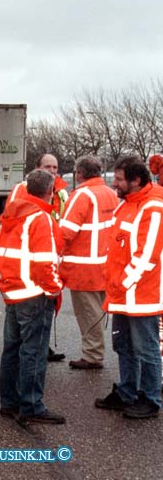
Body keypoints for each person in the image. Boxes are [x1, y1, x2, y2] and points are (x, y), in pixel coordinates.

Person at [95, 156, 163, 419]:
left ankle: (150, 398)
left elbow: (147, 255)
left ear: (136, 181)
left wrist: (121, 284)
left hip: (141, 295)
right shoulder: (128, 204)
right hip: (123, 293)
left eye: (120, 178)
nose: (115, 182)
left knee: (146, 349)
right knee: (123, 346)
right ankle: (127, 392)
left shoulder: (153, 207)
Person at [0, 169, 65, 424]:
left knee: (12, 350)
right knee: (33, 353)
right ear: (49, 192)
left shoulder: (12, 215)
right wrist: (55, 289)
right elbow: (44, 264)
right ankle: (32, 406)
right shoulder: (41, 219)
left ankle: (9, 403)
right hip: (34, 294)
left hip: (13, 290)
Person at [58, 156, 118, 369]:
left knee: (88, 314)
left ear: (79, 173)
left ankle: (93, 355)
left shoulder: (81, 195)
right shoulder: (111, 194)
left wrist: (52, 254)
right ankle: (95, 352)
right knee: (98, 312)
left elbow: (66, 232)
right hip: (106, 264)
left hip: (83, 268)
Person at [8, 153, 68, 362]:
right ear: (37, 168)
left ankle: (44, 346)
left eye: (55, 167)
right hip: (31, 262)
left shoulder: (61, 193)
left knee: (22, 336)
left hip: (49, 252)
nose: (52, 170)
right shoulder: (23, 190)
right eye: (48, 166)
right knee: (26, 340)